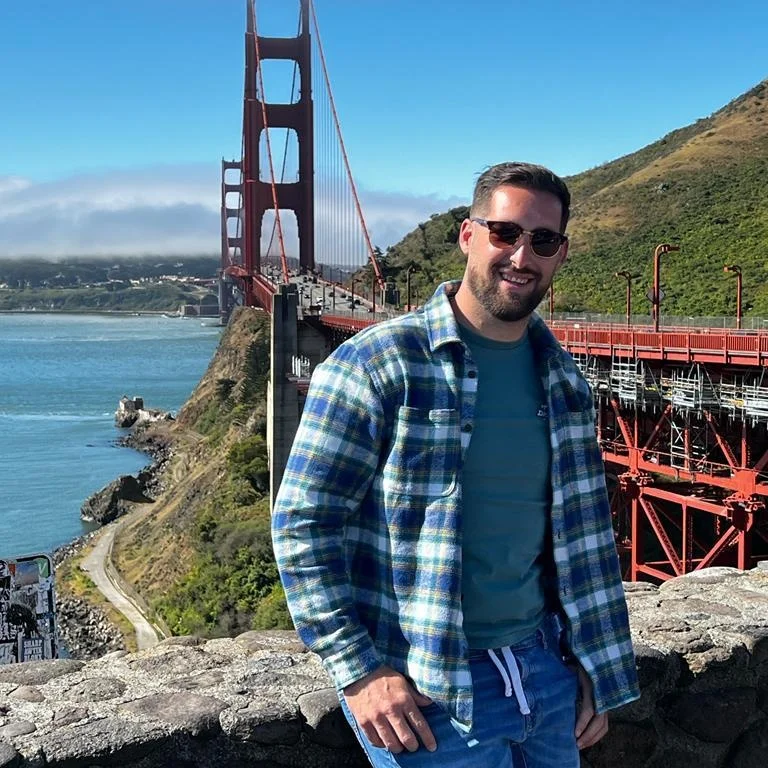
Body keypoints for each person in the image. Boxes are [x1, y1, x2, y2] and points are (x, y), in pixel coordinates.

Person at [272, 161, 639, 768]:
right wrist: (357, 670)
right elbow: (303, 524)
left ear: (562, 253)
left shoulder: (565, 379)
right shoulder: (375, 364)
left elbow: (581, 534)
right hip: (428, 689)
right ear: (469, 235)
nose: (521, 255)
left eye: (543, 240)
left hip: (546, 674)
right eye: (505, 233)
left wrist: (595, 662)